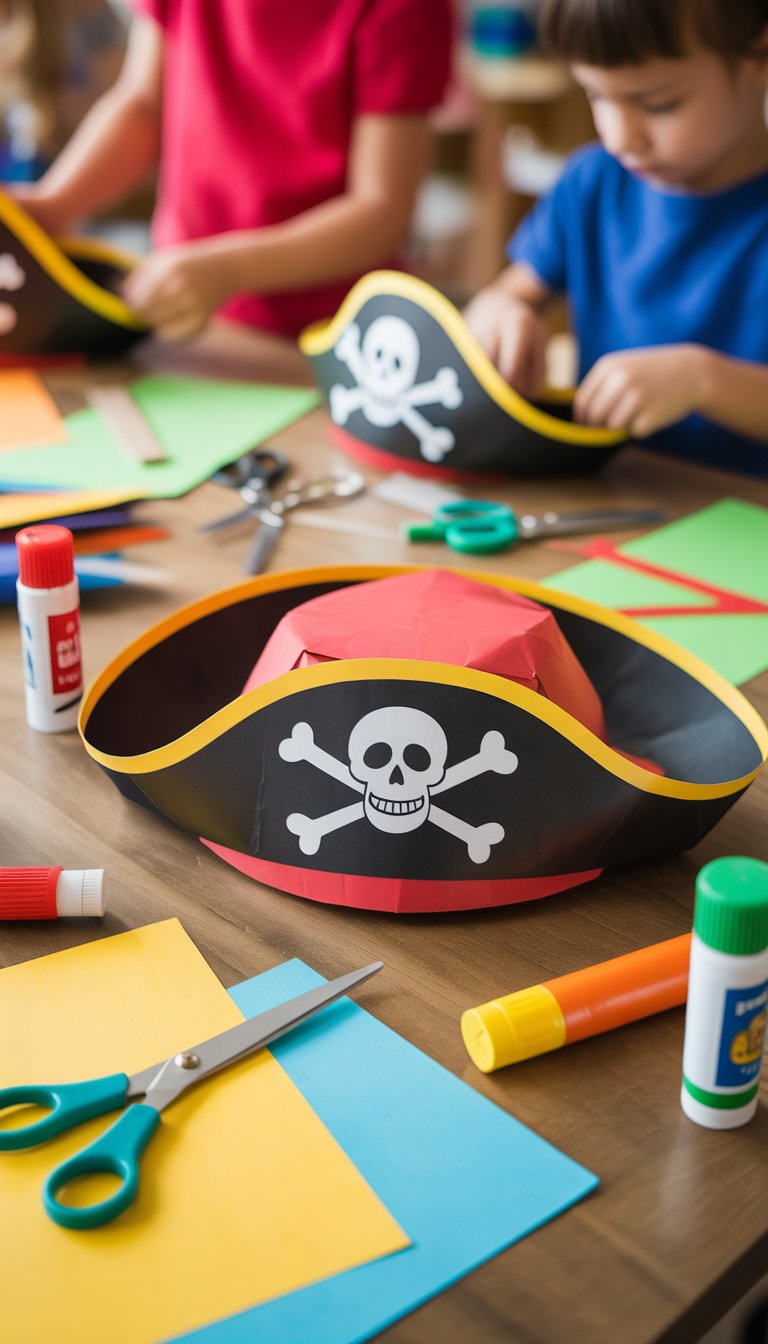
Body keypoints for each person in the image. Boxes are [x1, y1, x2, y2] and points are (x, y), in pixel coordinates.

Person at [6, 0, 453, 342]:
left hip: (328, 336)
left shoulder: (406, 8)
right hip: (184, 316)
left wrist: (230, 270)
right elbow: (142, 106)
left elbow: (382, 211)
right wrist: (56, 204)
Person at [464, 0, 768, 476]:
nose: (620, 137)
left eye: (658, 104)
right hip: (612, 488)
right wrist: (501, 311)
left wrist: (703, 379)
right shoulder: (592, 183)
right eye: (596, 95)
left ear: (758, 59)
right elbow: (505, 295)